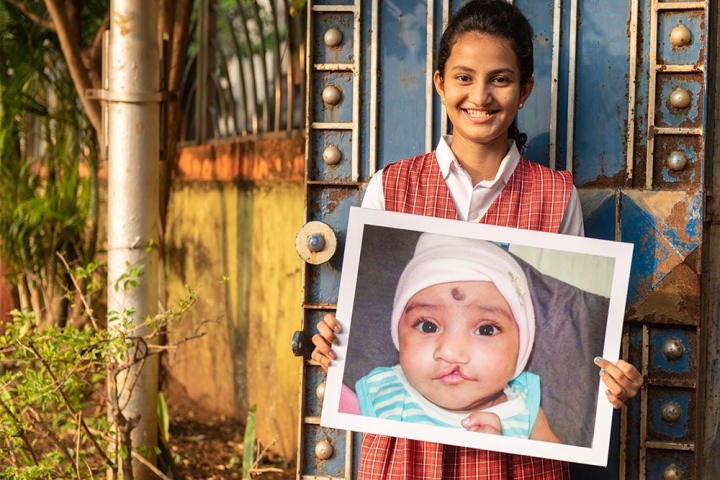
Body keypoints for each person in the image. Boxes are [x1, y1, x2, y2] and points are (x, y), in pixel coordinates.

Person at [312, 0, 643, 477]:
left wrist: (612, 382)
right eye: (464, 77)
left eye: (500, 79)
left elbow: (578, 345)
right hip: (409, 461)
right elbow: (350, 340)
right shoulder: (393, 185)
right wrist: (332, 347)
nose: (480, 96)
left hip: (517, 466)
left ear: (525, 89)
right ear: (440, 82)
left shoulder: (555, 194)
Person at [353, 232, 560, 443]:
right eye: (428, 326)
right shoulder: (381, 393)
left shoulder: (525, 411)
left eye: (486, 330)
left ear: (522, 346)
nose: (451, 352)